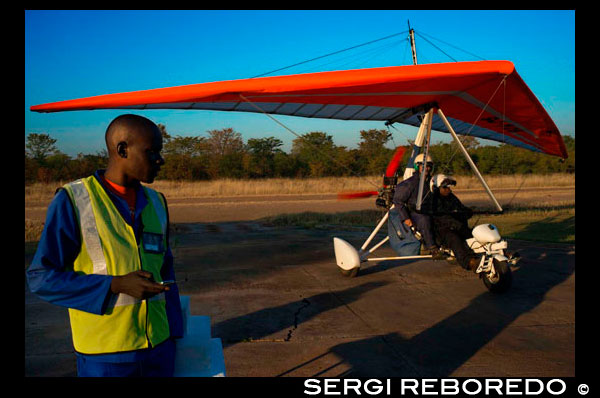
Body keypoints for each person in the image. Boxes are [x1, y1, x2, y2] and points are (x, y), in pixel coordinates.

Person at [26, 114, 184, 377]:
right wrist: (114, 284)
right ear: (122, 149)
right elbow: (41, 278)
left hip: (160, 350)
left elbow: (167, 271)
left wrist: (175, 334)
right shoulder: (74, 200)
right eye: (152, 151)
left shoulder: (157, 202)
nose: (161, 159)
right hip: (105, 357)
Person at [426, 174, 481, 271]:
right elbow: (441, 218)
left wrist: (469, 211)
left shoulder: (451, 197)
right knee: (455, 239)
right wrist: (456, 222)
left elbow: (461, 208)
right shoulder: (432, 200)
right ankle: (469, 262)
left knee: (476, 234)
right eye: (445, 187)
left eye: (449, 187)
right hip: (442, 231)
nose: (448, 190)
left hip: (457, 227)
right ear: (435, 188)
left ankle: (493, 255)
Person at [392, 153, 442, 258]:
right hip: (414, 213)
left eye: (428, 166)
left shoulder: (432, 182)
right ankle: (432, 247)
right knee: (424, 220)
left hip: (428, 210)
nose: (426, 169)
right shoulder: (409, 184)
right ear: (417, 166)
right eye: (423, 166)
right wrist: (405, 218)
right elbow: (398, 201)